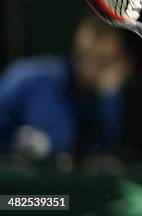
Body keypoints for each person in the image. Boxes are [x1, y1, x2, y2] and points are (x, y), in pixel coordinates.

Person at [0, 14, 133, 160]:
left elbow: (106, 155)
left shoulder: (109, 97)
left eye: (104, 61)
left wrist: (108, 99)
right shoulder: (25, 79)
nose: (92, 68)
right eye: (86, 56)